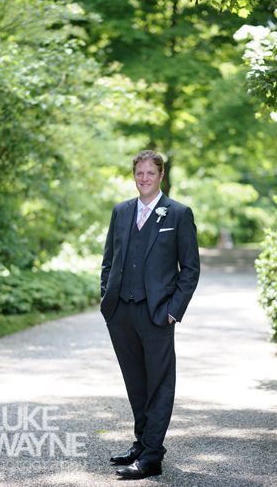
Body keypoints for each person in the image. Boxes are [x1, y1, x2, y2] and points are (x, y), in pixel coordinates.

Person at [100, 150, 200, 479]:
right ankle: (142, 442)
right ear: (134, 175)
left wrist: (174, 310)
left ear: (161, 176)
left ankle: (153, 456)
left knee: (159, 384)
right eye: (139, 173)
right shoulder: (121, 211)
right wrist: (106, 298)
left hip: (157, 314)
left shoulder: (178, 214)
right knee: (136, 383)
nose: (144, 178)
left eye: (150, 173)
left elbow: (190, 269)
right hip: (121, 314)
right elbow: (109, 261)